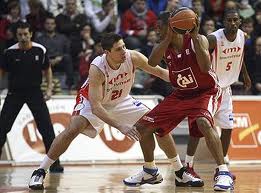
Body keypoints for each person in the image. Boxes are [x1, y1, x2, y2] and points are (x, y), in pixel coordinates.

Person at [28, 32, 202, 190]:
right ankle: (40, 171)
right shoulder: (97, 68)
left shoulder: (132, 57)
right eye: (119, 49)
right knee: (73, 128)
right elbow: (96, 107)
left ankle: (179, 172)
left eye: (124, 46)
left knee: (156, 124)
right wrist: (120, 126)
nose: (124, 51)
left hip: (121, 100)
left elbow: (160, 72)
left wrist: (187, 80)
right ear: (107, 52)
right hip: (92, 101)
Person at [128, 7, 234, 191]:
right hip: (181, 94)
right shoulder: (164, 45)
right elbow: (152, 62)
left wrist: (193, 37)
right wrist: (167, 37)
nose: (156, 31)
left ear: (171, 25)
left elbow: (205, 66)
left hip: (205, 91)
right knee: (142, 128)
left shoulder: (197, 40)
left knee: (202, 122)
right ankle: (150, 170)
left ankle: (223, 172)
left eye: (159, 27)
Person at [184, 8, 251, 181]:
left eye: (235, 20)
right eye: (229, 20)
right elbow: (199, 50)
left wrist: (244, 74)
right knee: (199, 126)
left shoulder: (243, 36)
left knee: (228, 129)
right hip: (210, 89)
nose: (233, 23)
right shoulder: (214, 38)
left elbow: (240, 55)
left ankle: (220, 168)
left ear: (240, 21)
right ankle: (188, 165)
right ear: (223, 21)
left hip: (226, 89)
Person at [0, 21, 63, 172]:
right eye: (20, 35)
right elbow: (2, 71)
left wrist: (49, 89)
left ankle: (55, 163)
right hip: (14, 93)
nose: (23, 37)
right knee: (2, 127)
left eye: (26, 34)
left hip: (35, 92)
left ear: (31, 34)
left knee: (46, 128)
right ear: (16, 35)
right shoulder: (9, 52)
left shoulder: (40, 50)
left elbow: (47, 69)